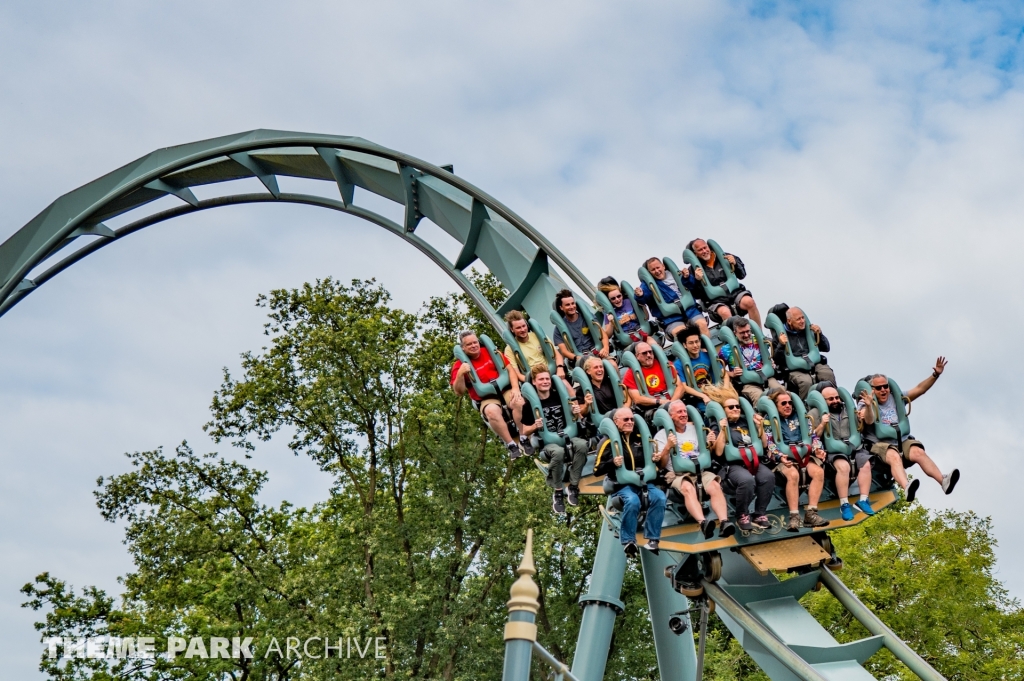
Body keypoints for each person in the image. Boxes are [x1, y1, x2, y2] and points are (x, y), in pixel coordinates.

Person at [859, 359, 959, 503]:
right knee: (894, 456)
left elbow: (920, 389)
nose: (883, 390)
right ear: (872, 389)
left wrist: (935, 374)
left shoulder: (897, 397)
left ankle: (943, 481)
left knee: (918, 452)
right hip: (880, 444)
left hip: (901, 439)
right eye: (879, 388)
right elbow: (868, 420)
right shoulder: (866, 402)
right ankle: (907, 487)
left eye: (885, 386)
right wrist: (868, 406)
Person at [653, 401, 735, 539]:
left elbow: (710, 451)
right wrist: (668, 447)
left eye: (684, 411)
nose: (683, 414)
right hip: (677, 474)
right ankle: (703, 523)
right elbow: (661, 465)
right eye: (679, 412)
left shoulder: (695, 429)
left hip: (699, 471)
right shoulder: (661, 435)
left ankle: (724, 522)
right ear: (670, 415)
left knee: (715, 485)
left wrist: (709, 441)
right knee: (687, 488)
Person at [594, 408, 667, 557]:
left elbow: (653, 463)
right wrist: (612, 462)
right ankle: (628, 540)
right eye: (625, 420)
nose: (630, 422)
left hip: (644, 482)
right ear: (616, 422)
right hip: (622, 485)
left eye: (631, 419)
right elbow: (597, 469)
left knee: (660, 497)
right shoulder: (608, 442)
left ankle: (653, 539)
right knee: (633, 501)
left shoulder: (641, 438)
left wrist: (655, 459)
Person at [519, 367, 588, 514]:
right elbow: (525, 430)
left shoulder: (560, 397)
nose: (545, 382)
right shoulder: (529, 405)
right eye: (541, 379)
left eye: (547, 379)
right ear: (534, 382)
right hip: (548, 442)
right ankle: (558, 492)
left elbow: (576, 417)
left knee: (582, 445)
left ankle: (573, 486)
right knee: (558, 452)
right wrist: (534, 426)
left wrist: (576, 412)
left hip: (567, 435)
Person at [450, 331, 525, 460]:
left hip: (504, 390)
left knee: (518, 401)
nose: (474, 346)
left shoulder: (492, 352)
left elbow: (510, 370)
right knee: (491, 411)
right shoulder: (458, 365)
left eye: (475, 342)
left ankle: (524, 437)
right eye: (469, 344)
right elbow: (459, 391)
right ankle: (511, 444)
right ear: (463, 348)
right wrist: (461, 374)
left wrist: (515, 388)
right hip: (487, 397)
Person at [763, 391, 829, 531]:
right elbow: (769, 443)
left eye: (790, 403)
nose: (788, 406)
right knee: (793, 475)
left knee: (818, 472)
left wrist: (817, 449)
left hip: (803, 455)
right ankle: (794, 516)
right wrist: (780, 456)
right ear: (775, 406)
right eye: (784, 403)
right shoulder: (769, 420)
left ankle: (811, 514)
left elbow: (813, 437)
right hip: (782, 457)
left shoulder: (802, 417)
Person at [809, 386, 876, 521]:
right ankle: (844, 504)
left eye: (837, 397)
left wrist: (868, 407)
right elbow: (812, 436)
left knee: (866, 464)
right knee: (844, 467)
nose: (835, 401)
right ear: (823, 401)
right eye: (830, 399)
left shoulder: (849, 409)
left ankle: (863, 500)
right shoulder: (815, 413)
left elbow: (868, 421)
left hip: (854, 446)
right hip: (833, 450)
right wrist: (822, 423)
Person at [713, 396, 775, 532]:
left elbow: (764, 444)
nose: (735, 409)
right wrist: (723, 430)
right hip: (732, 464)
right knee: (746, 480)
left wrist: (760, 428)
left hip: (752, 460)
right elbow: (718, 452)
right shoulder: (718, 424)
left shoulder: (745, 421)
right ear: (723, 410)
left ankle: (760, 514)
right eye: (731, 407)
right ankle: (742, 514)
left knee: (768, 477)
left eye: (737, 406)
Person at [686, 239, 761, 327]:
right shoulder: (693, 270)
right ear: (695, 253)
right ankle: (736, 338)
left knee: (749, 302)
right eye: (700, 250)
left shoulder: (725, 257)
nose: (704, 251)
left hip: (735, 294)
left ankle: (759, 335)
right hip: (715, 302)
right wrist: (697, 280)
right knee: (725, 312)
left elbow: (742, 275)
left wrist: (736, 264)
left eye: (705, 248)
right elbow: (697, 295)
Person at [633, 257, 709, 338]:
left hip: (690, 311)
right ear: (649, 272)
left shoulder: (675, 274)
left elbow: (692, 287)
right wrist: (640, 295)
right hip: (671, 318)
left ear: (663, 266)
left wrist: (687, 277)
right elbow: (644, 298)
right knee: (682, 333)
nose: (657, 271)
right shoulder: (648, 284)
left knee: (702, 324)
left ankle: (706, 349)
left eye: (658, 267)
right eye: (653, 270)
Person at [773, 307, 836, 399]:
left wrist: (819, 334)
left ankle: (834, 400)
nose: (802, 321)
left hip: (814, 363)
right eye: (798, 319)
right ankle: (806, 407)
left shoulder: (808, 330)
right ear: (789, 321)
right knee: (806, 382)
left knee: (827, 374)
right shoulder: (779, 336)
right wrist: (781, 345)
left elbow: (826, 348)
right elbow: (777, 359)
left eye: (803, 318)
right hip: (795, 368)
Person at [719, 317, 784, 404]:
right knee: (761, 399)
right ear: (735, 333)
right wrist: (732, 374)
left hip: (766, 377)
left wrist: (771, 362)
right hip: (748, 383)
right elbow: (717, 368)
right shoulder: (726, 349)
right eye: (742, 333)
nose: (746, 335)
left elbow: (769, 352)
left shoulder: (759, 340)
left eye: (747, 331)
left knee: (782, 393)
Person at [622, 341, 684, 420]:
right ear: (637, 356)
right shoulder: (631, 373)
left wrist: (671, 404)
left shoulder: (666, 364)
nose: (648, 355)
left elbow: (680, 387)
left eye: (650, 352)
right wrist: (659, 401)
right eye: (644, 353)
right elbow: (637, 399)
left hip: (673, 401)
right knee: (665, 417)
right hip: (651, 408)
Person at [503, 309, 566, 384]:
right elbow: (517, 374)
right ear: (512, 330)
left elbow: (557, 355)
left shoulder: (538, 336)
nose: (523, 329)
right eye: (518, 328)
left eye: (524, 326)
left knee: (565, 385)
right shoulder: (509, 349)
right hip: (533, 380)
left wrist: (560, 368)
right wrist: (533, 381)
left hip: (551, 372)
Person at [552, 289, 611, 367]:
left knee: (612, 364)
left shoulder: (587, 317)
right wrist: (576, 357)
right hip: (581, 358)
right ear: (561, 307)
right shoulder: (558, 329)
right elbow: (564, 351)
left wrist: (606, 348)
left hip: (596, 351)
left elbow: (603, 335)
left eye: (573, 303)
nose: (571, 307)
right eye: (567, 305)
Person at [673, 323, 715, 411]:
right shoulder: (678, 364)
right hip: (698, 398)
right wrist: (703, 396)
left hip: (714, 391)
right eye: (691, 343)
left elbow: (723, 373)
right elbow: (684, 387)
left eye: (697, 341)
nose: (695, 345)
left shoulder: (708, 355)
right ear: (685, 345)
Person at [598, 279, 647, 345]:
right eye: (613, 298)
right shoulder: (608, 312)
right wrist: (611, 322)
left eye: (619, 296)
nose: (617, 299)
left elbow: (645, 317)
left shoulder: (629, 301)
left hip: (640, 332)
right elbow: (608, 335)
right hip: (628, 340)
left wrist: (641, 300)